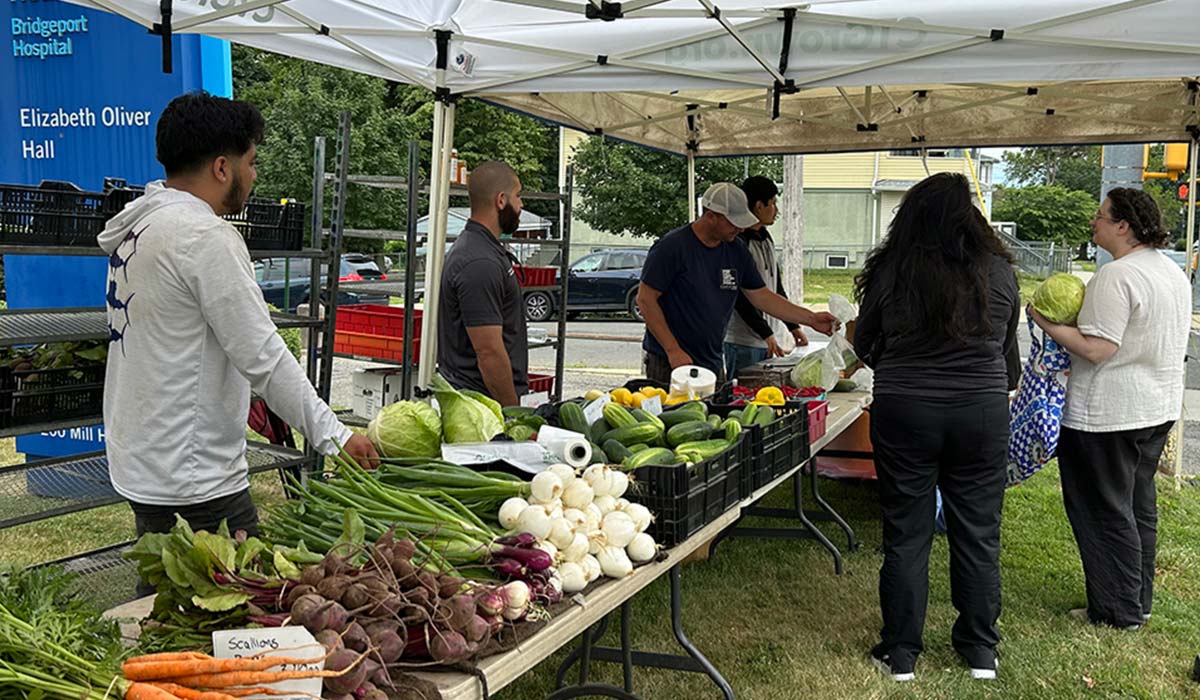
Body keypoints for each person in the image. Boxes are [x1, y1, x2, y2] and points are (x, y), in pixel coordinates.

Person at [99, 92, 379, 546]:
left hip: (145, 461)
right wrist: (336, 436)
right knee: (229, 603)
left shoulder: (140, 225)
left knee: (169, 595)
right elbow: (263, 356)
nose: (254, 175)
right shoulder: (204, 236)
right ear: (222, 168)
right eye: (251, 162)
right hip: (195, 475)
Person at [853, 172, 1019, 682]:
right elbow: (1008, 352)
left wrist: (899, 364)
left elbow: (864, 343)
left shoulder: (893, 270)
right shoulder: (999, 271)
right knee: (978, 533)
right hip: (981, 412)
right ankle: (980, 652)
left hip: (906, 409)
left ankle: (900, 652)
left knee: (907, 531)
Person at [1030, 188, 1190, 631]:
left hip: (1107, 415)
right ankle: (1137, 601)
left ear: (1123, 225)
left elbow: (1097, 349)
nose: (1093, 223)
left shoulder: (1116, 276)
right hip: (1156, 408)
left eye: (1100, 217)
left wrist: (1045, 322)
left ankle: (1116, 612)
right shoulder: (1171, 271)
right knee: (1138, 506)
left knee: (1102, 511)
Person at [638, 182, 837, 384]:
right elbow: (645, 300)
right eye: (733, 222)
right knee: (674, 415)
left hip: (712, 360)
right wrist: (673, 350)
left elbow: (762, 296)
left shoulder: (736, 249)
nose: (740, 228)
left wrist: (810, 319)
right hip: (669, 361)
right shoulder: (672, 247)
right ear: (710, 216)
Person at [438, 160, 528, 406]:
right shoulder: (479, 262)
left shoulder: (482, 249)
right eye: (518, 196)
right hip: (480, 406)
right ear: (501, 200)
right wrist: (511, 412)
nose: (521, 205)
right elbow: (488, 352)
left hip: (480, 401)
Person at [723, 176, 809, 378]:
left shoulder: (765, 237)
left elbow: (775, 287)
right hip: (743, 340)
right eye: (773, 203)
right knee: (744, 397)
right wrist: (765, 332)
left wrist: (793, 327)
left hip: (765, 337)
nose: (776, 210)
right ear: (759, 206)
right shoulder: (738, 243)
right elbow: (738, 297)